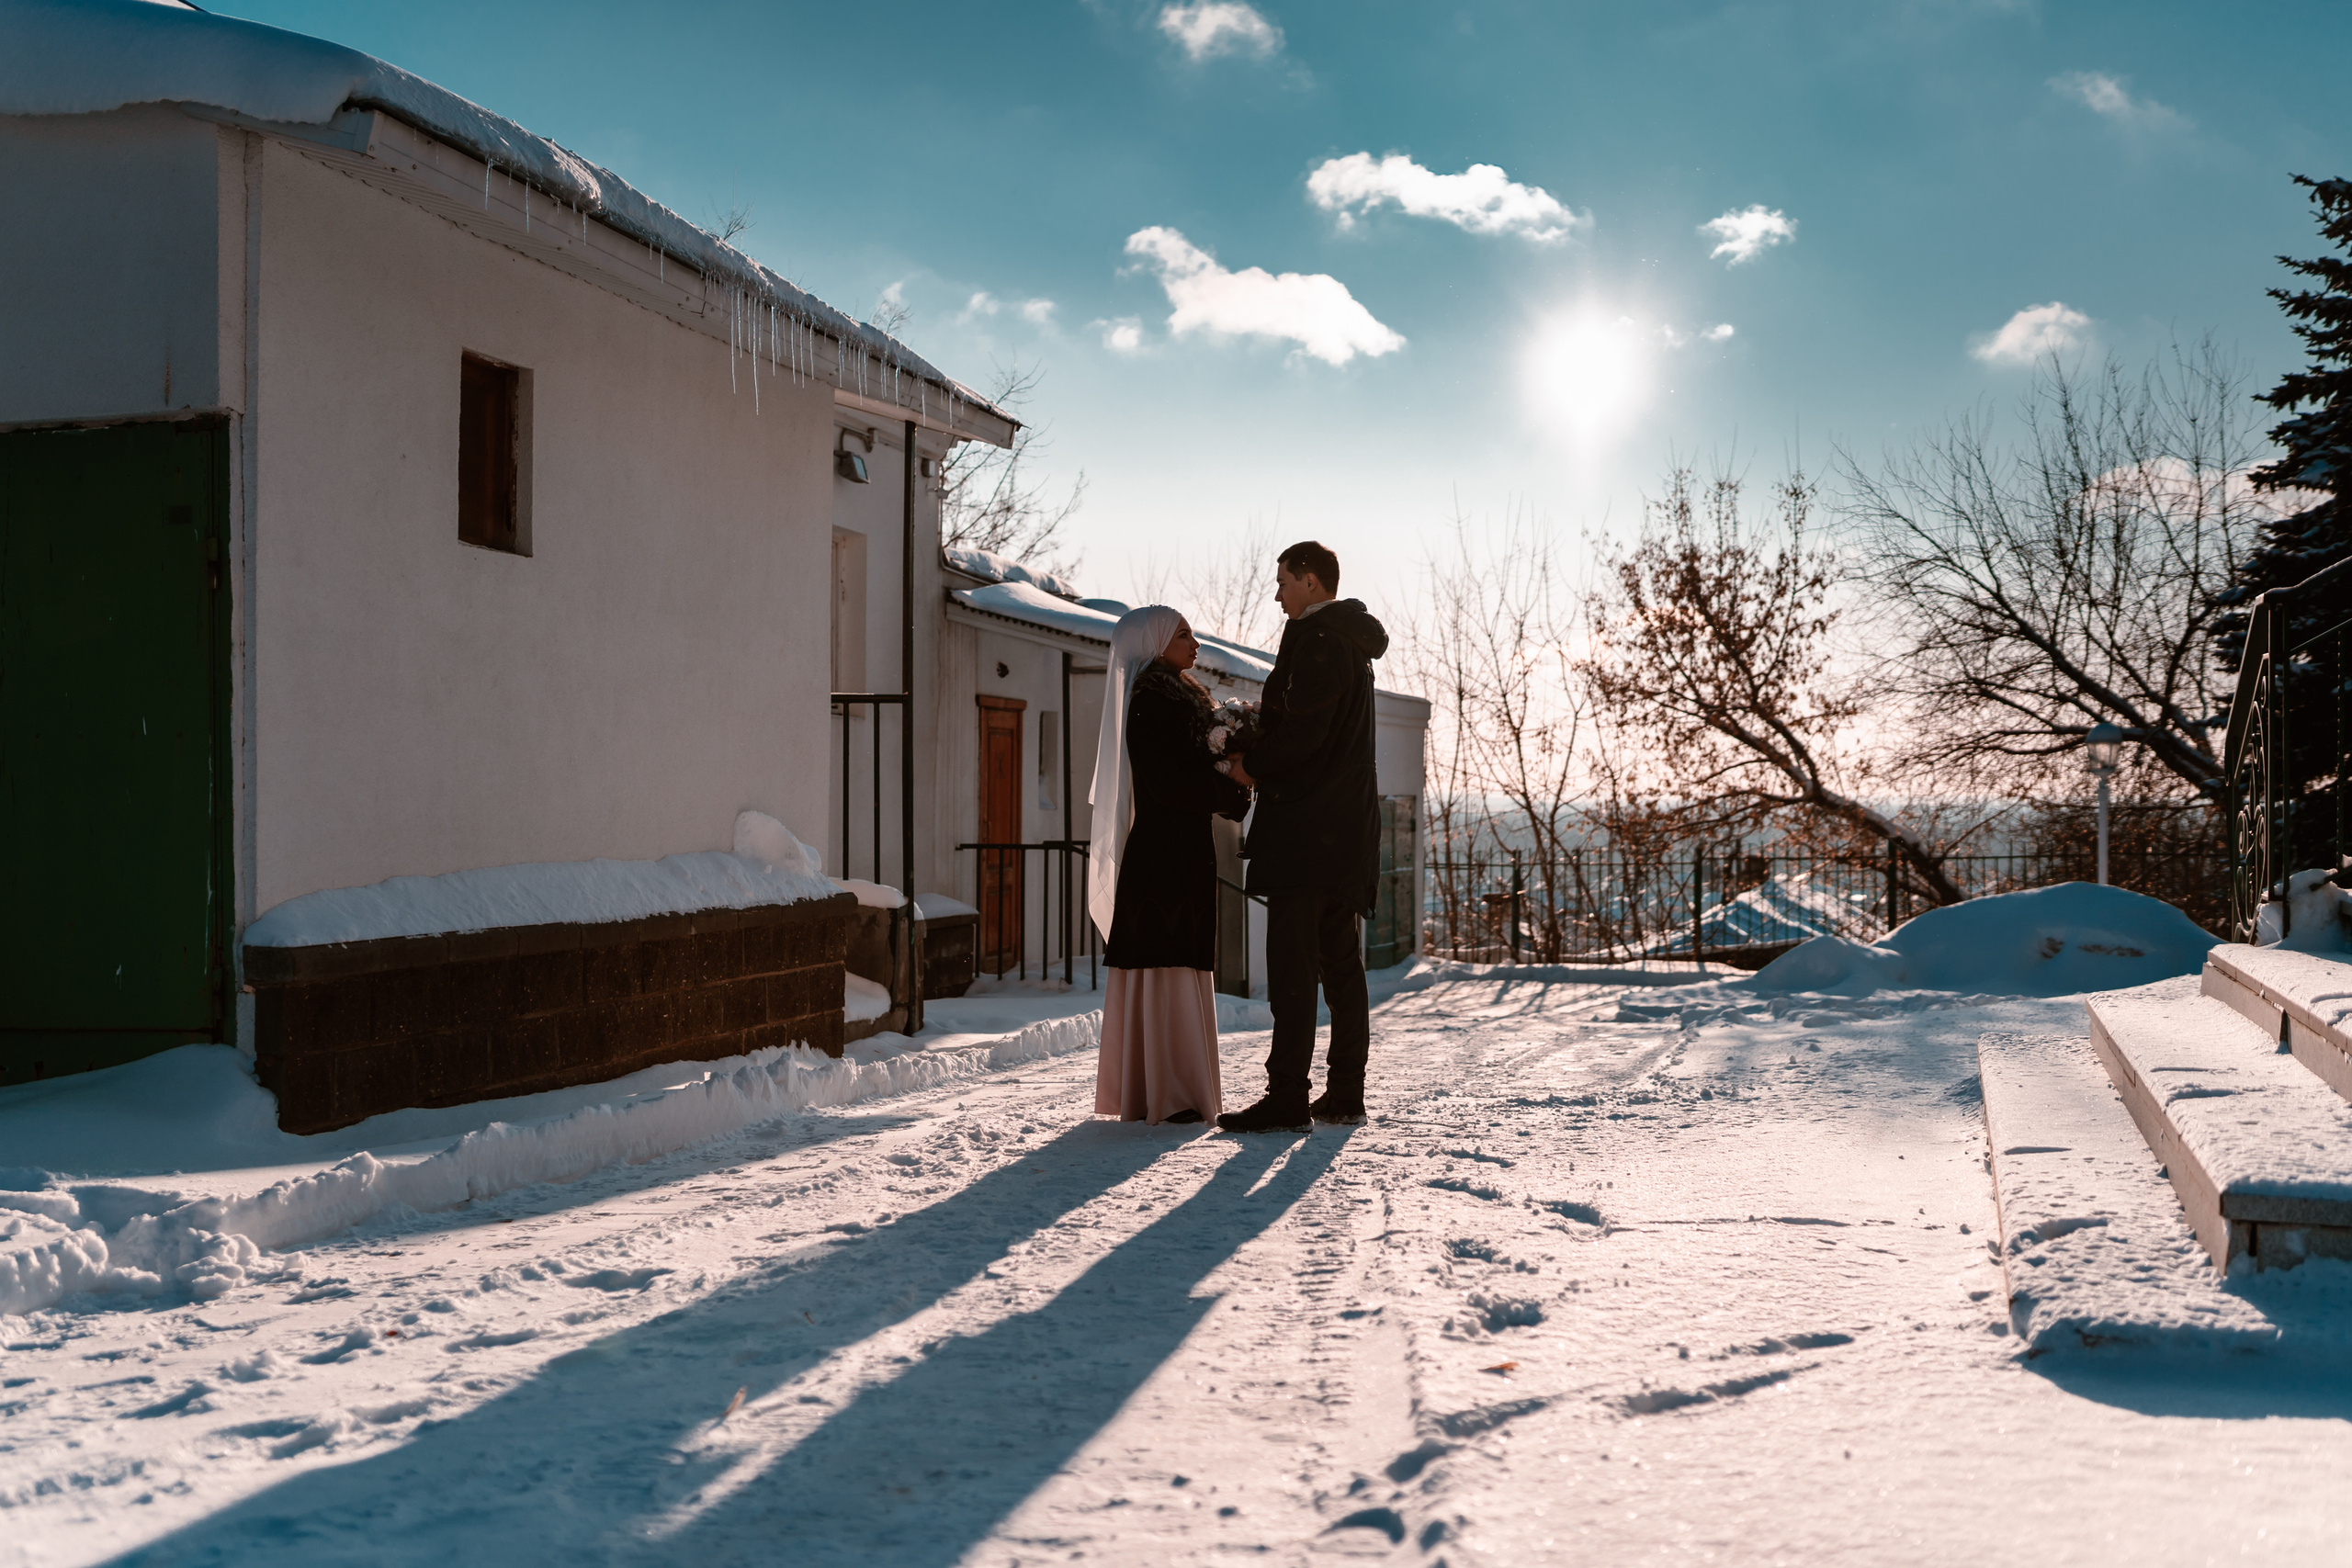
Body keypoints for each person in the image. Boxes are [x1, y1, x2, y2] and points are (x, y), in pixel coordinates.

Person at [1221, 541, 1387, 1134]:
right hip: (1341, 832)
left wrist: (1252, 764)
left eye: (1284, 582)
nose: (1277, 593)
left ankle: (1287, 1097)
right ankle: (1344, 1092)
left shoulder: (1319, 641)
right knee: (1339, 965)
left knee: (1294, 970)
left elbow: (1306, 733)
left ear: (1313, 583)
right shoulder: (1347, 642)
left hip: (1310, 831)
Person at [1088, 605, 1252, 1125]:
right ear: (1155, 642)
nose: (1196, 643)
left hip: (1177, 847)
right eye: (1183, 634)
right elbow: (1166, 783)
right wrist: (1232, 787)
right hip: (1164, 852)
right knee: (1167, 961)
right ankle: (1170, 1091)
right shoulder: (1153, 703)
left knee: (1177, 962)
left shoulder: (1174, 697)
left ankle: (1164, 1086)